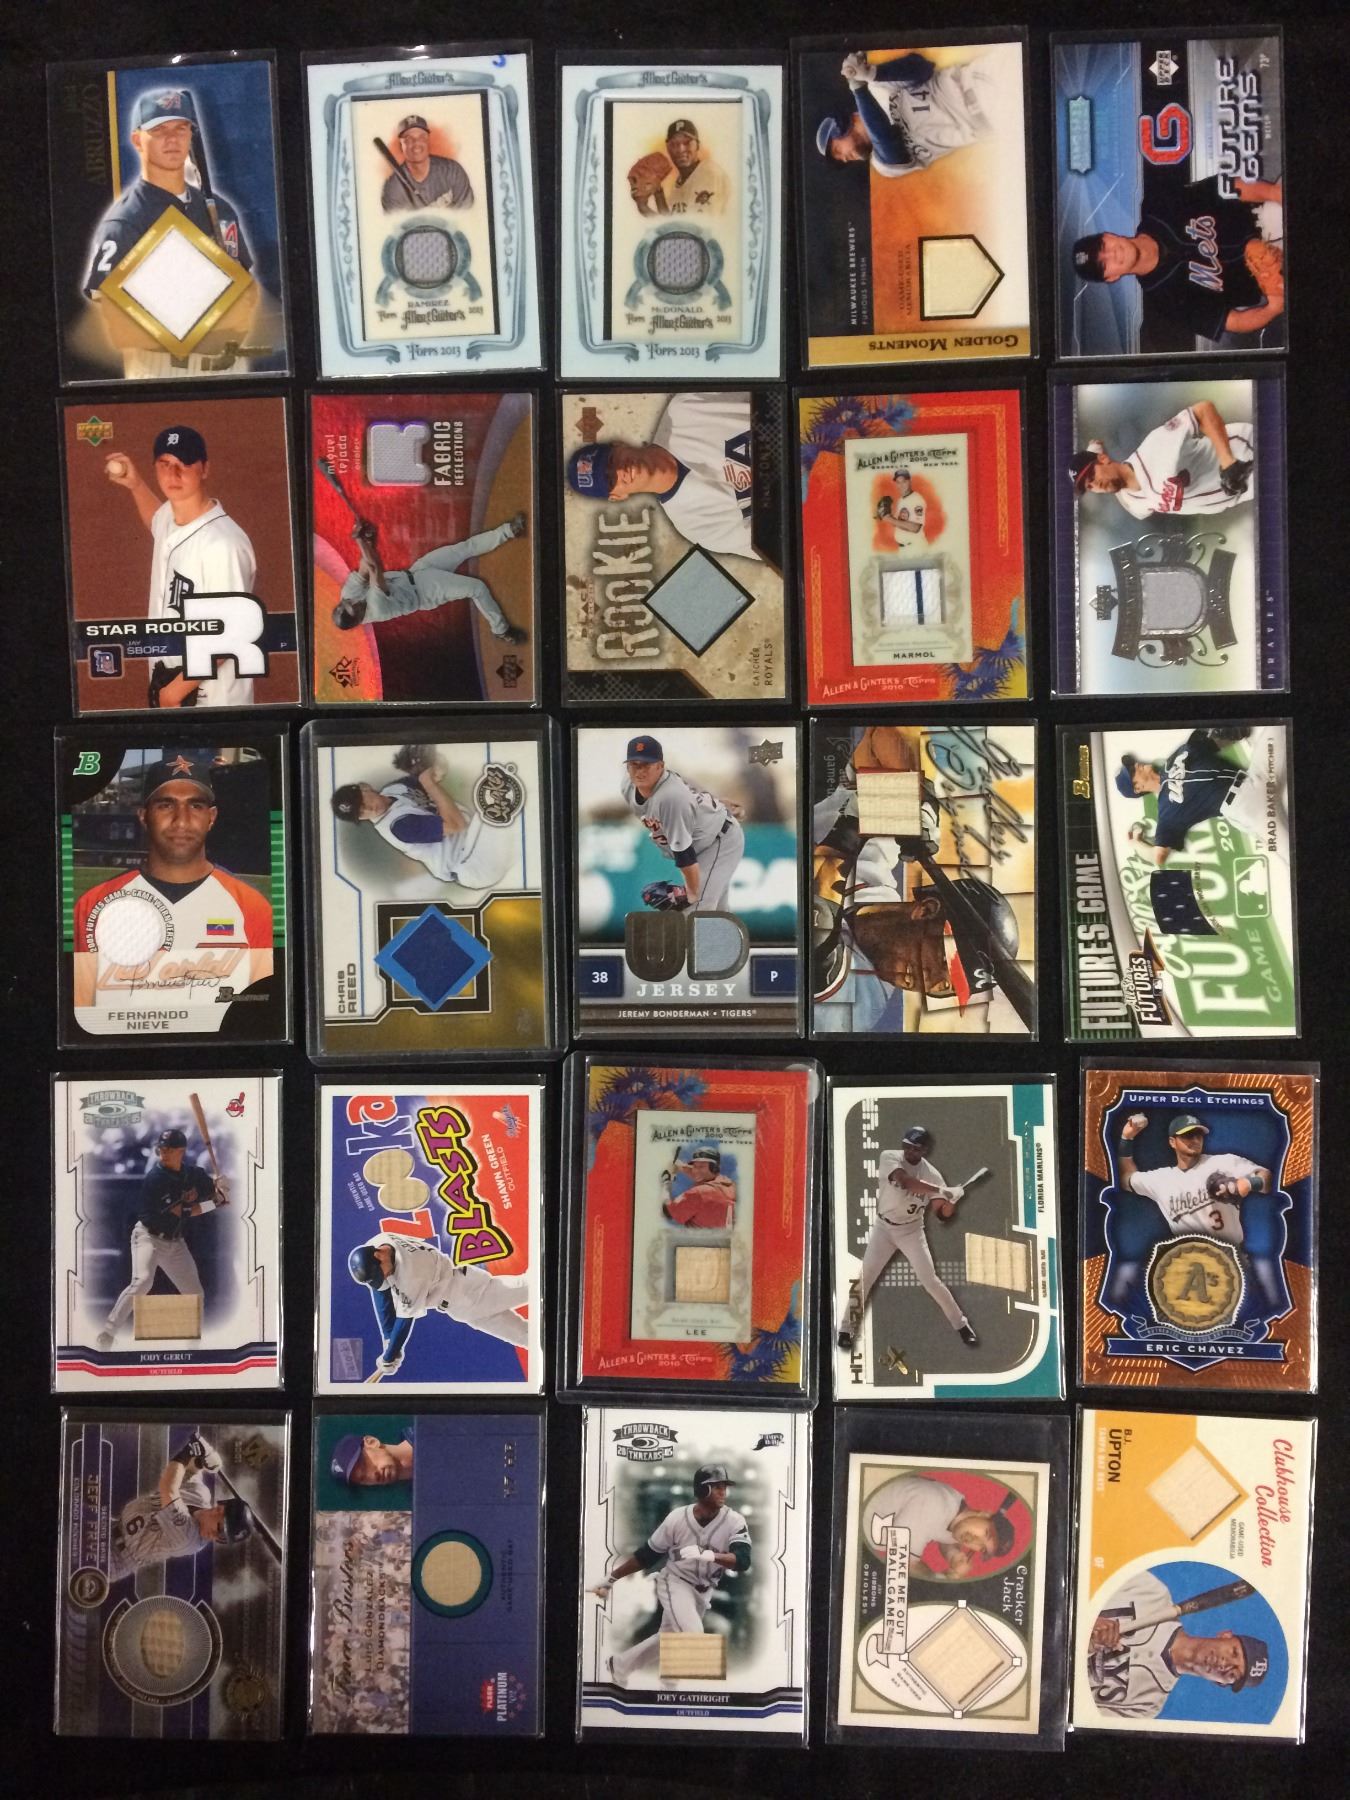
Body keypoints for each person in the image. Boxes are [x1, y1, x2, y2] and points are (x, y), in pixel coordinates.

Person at [74, 755, 274, 1009]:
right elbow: (81, 1011)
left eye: (196, 806)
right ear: (144, 816)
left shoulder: (252, 907)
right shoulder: (93, 906)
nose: (181, 821)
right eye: (166, 805)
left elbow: (261, 1013)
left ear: (211, 817)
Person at [105, 424, 259, 706]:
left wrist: (172, 693)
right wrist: (136, 485)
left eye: (184, 464)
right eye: (164, 464)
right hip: (173, 682)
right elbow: (158, 522)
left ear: (204, 469)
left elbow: (232, 632)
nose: (172, 474)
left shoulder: (223, 545)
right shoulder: (172, 517)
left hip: (212, 699)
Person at [1070, 175, 1284, 343]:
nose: (1113, 254)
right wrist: (1273, 308)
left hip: (1266, 215)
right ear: (1111, 277)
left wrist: (1274, 193)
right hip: (1274, 279)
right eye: (1104, 263)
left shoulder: (1157, 205)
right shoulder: (1164, 302)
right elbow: (1234, 321)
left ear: (1108, 236)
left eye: (1104, 247)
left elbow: (1225, 187)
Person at [590, 1465, 750, 1689]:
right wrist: (611, 1579)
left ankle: (620, 1666)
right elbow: (646, 1555)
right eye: (716, 1486)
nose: (723, 1491)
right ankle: (673, 1682)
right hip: (675, 1582)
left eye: (724, 1486)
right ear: (701, 1490)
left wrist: (710, 1555)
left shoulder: (734, 1521)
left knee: (666, 1639)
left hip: (704, 1590)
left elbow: (743, 1560)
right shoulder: (677, 1518)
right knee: (693, 1635)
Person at [566, 393, 759, 561]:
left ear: (618, 445)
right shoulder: (697, 525)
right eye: (610, 480)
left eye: (611, 461)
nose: (620, 471)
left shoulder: (686, 409)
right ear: (617, 496)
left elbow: (766, 386)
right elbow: (773, 545)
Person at [836, 1125, 979, 1351]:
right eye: (908, 1146)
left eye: (916, 1148)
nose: (910, 1151)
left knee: (930, 1280)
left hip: (911, 1231)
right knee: (866, 1277)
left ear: (925, 1150)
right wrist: (943, 1191)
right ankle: (846, 1329)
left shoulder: (932, 1175)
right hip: (884, 1228)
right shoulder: (890, 1157)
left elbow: (942, 1215)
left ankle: (962, 1326)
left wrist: (953, 1200)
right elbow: (904, 1181)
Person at [96, 1125, 229, 1349]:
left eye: (169, 1149)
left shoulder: (193, 1173)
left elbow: (215, 1191)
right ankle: (108, 1333)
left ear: (181, 1151)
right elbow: (184, 1211)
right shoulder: (156, 1177)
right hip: (148, 1237)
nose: (163, 1152)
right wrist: (215, 1203)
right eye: (161, 1148)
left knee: (195, 1293)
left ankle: (193, 1345)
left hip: (175, 1243)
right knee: (142, 1282)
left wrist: (221, 1186)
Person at [1087, 1568, 1269, 1720]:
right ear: (1225, 1635)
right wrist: (1087, 1621)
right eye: (1234, 1653)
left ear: (1219, 1683)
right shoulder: (1151, 1592)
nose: (1225, 1664)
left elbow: (1078, 1717)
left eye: (1233, 1674)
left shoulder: (1146, 1707)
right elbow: (1085, 1573)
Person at [331, 513, 528, 645]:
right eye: (353, 608)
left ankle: (509, 530)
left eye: (347, 603)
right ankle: (501, 629)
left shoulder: (348, 595)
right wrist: (360, 541)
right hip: (426, 591)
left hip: (417, 571)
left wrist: (368, 541)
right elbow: (375, 567)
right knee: (477, 588)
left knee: (463, 548)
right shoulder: (377, 608)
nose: (353, 602)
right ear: (359, 619)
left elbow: (365, 567)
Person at [330, 754, 516, 889]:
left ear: (364, 788)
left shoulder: (395, 789)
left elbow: (435, 773)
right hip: (470, 862)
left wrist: (431, 759)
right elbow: (456, 824)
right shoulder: (398, 826)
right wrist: (428, 783)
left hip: (475, 845)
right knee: (503, 807)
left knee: (512, 807)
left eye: (362, 803)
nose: (367, 810)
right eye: (360, 813)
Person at [347, 1235, 530, 1373]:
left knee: (532, 1286)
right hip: (461, 1299)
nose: (385, 1277)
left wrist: (390, 1355)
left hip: (468, 1294)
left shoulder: (411, 1274)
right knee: (527, 1337)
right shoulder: (379, 1241)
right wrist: (388, 1339)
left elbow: (404, 1322)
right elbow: (381, 1294)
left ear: (379, 1255)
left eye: (381, 1273)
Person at [815, 50, 999, 178]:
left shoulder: (877, 88)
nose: (844, 158)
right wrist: (858, 88)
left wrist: (873, 74)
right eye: (841, 161)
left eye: (837, 150)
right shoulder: (882, 165)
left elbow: (923, 68)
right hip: (990, 122)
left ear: (841, 126)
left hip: (978, 80)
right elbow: (886, 139)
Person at [620, 735, 744, 914]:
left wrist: (690, 894)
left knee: (696, 910)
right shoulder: (628, 786)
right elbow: (688, 792)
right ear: (627, 767)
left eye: (646, 765)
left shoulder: (670, 797)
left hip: (718, 841)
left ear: (660, 766)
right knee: (717, 914)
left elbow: (685, 856)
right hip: (702, 838)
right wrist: (716, 804)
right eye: (634, 765)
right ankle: (722, 933)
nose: (640, 771)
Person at [1068, 401, 1255, 518]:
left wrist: (1227, 461)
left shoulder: (1155, 447)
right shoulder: (1133, 500)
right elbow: (1125, 500)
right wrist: (1094, 452)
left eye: (1092, 475)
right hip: (1246, 490)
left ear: (1103, 459)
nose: (1095, 485)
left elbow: (1203, 410)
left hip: (1246, 451)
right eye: (1089, 486)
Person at [110, 1434, 253, 1576]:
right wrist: (202, 1460)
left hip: (115, 1558)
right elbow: (189, 1469)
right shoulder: (200, 1494)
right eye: (220, 1530)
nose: (214, 1537)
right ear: (219, 1510)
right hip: (111, 1524)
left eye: (222, 1538)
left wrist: (190, 1450)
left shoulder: (190, 1539)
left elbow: (168, 1489)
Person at [1115, 729, 1249, 866]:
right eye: (1132, 771)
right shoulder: (1166, 813)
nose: (1136, 765)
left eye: (1132, 765)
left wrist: (1229, 731)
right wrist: (1136, 844)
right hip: (1241, 805)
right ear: (1138, 788)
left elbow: (1208, 742)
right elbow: (1158, 857)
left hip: (1251, 778)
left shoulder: (1173, 759)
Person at [866, 1471, 1015, 1580]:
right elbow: (902, 1565)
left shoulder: (955, 1505)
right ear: (985, 1514)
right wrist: (946, 1577)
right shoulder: (932, 1504)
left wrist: (953, 1555)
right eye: (986, 1533)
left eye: (982, 1548)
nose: (974, 1541)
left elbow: (946, 1535)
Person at [380, 114, 473, 212]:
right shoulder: (393, 188)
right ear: (401, 145)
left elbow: (467, 214)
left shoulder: (452, 171)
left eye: (422, 137)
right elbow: (396, 221)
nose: (416, 143)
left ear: (428, 140)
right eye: (408, 139)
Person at [659, 118, 730, 215]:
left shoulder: (709, 173)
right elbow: (671, 222)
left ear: (697, 145)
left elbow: (703, 223)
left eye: (687, 142)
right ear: (668, 148)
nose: (680, 149)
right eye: (674, 144)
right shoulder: (677, 186)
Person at [661, 1148, 736, 1228]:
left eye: (701, 1167)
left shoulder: (698, 1193)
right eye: (695, 1166)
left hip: (700, 1235)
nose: (696, 1171)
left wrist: (666, 1182)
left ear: (714, 1168)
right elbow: (702, 1176)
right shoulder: (729, 1184)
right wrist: (680, 1166)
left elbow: (667, 1212)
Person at [330, 1429, 416, 1487]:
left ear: (372, 1442)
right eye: (363, 1479)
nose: (373, 1476)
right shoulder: (418, 1499)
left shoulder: (422, 1431)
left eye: (364, 1465)